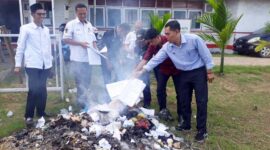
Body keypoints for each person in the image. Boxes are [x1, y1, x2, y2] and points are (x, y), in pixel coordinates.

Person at [134, 20, 214, 142]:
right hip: (182, 74)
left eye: (168, 34)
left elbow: (206, 55)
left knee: (201, 101)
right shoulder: (167, 47)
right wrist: (141, 71)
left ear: (177, 31)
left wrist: (209, 71)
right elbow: (155, 61)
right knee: (184, 100)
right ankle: (186, 124)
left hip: (198, 72)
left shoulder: (194, 39)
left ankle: (202, 130)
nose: (166, 36)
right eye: (165, 34)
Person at [14, 3, 53, 126]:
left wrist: (50, 63)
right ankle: (29, 116)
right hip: (32, 64)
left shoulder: (46, 29)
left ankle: (41, 113)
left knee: (43, 90)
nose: (41, 16)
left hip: (45, 65)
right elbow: (20, 46)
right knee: (34, 90)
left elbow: (48, 47)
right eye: (39, 14)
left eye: (43, 14)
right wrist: (17, 64)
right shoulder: (26, 28)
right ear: (32, 14)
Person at [134, 28, 180, 121]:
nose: (150, 44)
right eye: (149, 42)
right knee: (160, 89)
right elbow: (145, 59)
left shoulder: (169, 41)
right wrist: (135, 71)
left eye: (151, 41)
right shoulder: (152, 46)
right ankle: (163, 109)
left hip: (176, 68)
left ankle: (181, 113)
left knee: (180, 91)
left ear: (157, 37)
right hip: (162, 69)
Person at [63, 3, 98, 111]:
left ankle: (85, 101)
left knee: (87, 82)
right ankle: (81, 104)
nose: (83, 16)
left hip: (89, 59)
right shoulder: (71, 24)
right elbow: (66, 39)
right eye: (80, 14)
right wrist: (80, 43)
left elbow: (93, 40)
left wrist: (96, 50)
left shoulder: (89, 24)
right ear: (76, 13)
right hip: (77, 60)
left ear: (86, 12)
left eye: (84, 13)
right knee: (80, 83)